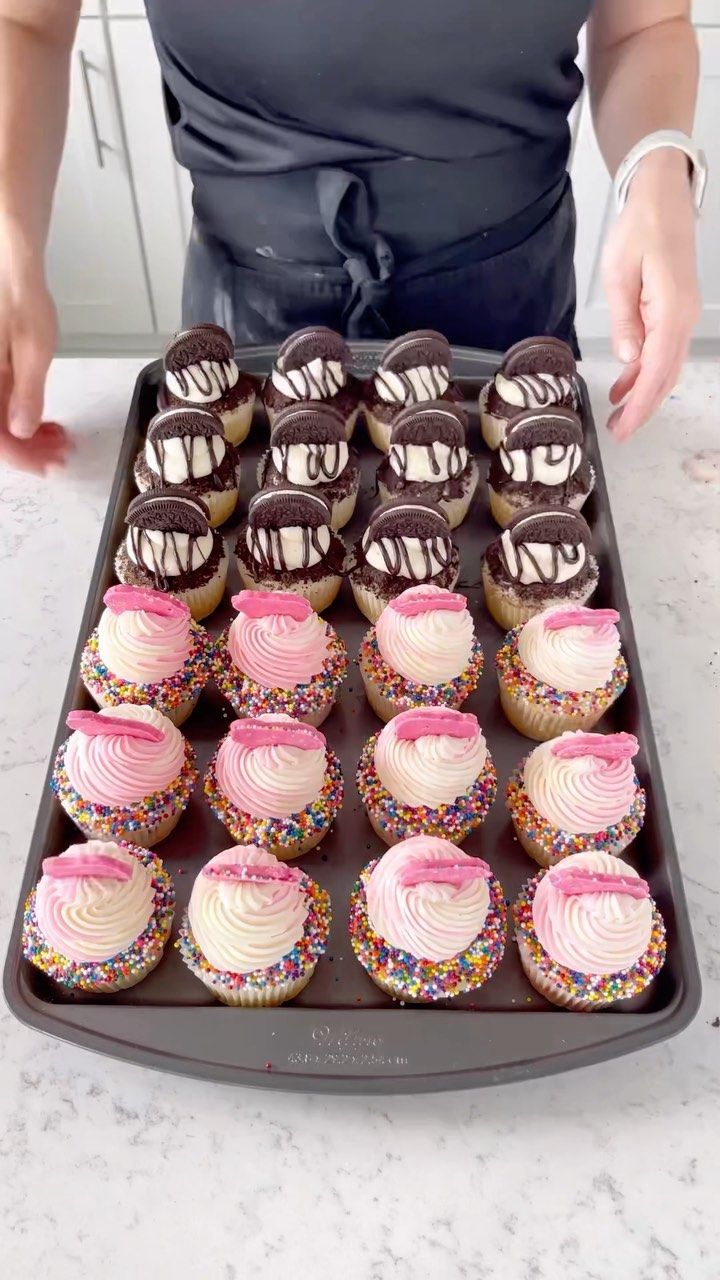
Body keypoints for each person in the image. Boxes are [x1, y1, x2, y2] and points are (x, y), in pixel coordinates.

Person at [0, 0, 703, 473]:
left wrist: (659, 168)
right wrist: (9, 230)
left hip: (510, 297)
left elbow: (645, 23)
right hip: (248, 309)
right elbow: (25, 21)